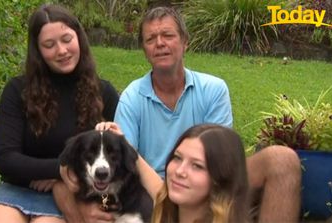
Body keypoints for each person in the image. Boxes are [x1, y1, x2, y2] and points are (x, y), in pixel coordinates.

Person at [113, 6, 301, 223]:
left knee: (282, 160)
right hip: (154, 189)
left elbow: (221, 159)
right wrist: (165, 190)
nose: (160, 43)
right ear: (144, 50)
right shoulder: (132, 98)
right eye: (150, 39)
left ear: (185, 42)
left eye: (168, 35)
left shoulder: (213, 89)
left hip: (212, 178)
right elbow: (127, 168)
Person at [0, 4, 119, 223]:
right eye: (49, 45)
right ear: (38, 51)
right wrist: (60, 169)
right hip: (19, 189)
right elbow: (6, 159)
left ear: (79, 39)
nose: (61, 50)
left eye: (66, 39)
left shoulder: (104, 93)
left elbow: (117, 157)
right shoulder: (17, 91)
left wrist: (62, 179)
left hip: (77, 193)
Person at [96, 122, 250, 223]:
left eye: (197, 166)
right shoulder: (168, 210)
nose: (180, 171)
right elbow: (158, 189)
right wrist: (123, 143)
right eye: (177, 158)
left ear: (221, 178)